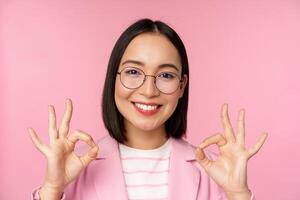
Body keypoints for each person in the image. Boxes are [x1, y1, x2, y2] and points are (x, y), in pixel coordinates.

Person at [29, 18, 268, 200]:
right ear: (114, 77)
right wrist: (52, 189)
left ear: (182, 86)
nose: (149, 90)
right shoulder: (74, 170)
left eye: (165, 75)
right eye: (133, 72)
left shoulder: (215, 173)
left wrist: (238, 195)